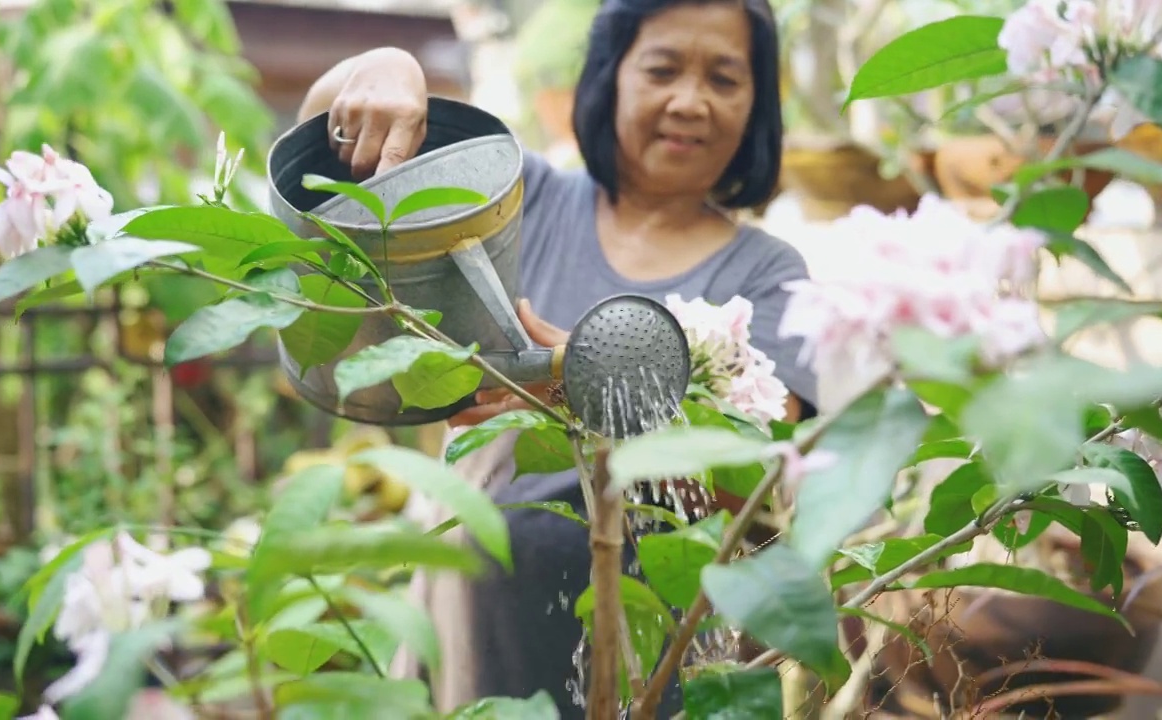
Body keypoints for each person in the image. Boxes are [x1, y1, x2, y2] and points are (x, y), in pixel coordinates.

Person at [296, 0, 818, 716]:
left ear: (757, 104)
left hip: (656, 660)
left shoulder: (767, 274)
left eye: (725, 79)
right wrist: (379, 69)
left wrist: (602, 384)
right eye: (662, 69)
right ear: (610, 77)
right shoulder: (521, 201)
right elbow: (322, 145)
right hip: (474, 632)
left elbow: (758, 481)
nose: (690, 101)